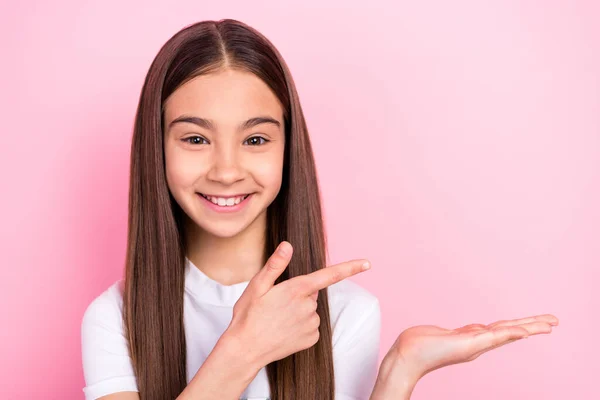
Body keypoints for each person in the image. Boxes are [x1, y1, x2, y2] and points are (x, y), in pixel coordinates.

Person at [80, 18, 559, 400]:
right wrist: (243, 351)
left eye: (255, 139)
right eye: (196, 139)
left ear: (289, 150)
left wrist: (399, 371)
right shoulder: (115, 318)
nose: (226, 170)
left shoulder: (345, 314)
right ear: (156, 149)